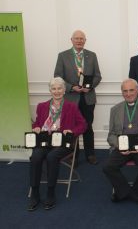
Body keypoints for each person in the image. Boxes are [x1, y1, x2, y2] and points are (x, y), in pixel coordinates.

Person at [27, 77, 87, 211]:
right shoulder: (41, 106)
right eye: (54, 88)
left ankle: (50, 192)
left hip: (62, 142)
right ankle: (35, 193)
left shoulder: (71, 106)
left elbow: (83, 124)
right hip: (44, 141)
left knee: (51, 157)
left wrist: (71, 131)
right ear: (50, 90)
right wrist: (36, 127)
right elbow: (37, 123)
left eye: (59, 88)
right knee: (36, 157)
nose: (57, 91)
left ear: (64, 90)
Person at [102, 79, 138, 206]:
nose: (128, 94)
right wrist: (119, 145)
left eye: (131, 90)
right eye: (125, 91)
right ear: (122, 93)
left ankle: (126, 193)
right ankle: (134, 195)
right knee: (107, 167)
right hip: (122, 147)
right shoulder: (115, 109)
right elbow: (111, 135)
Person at [54, 30, 102, 165]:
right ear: (71, 40)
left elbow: (98, 76)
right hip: (71, 98)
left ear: (85, 41)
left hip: (88, 98)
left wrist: (90, 86)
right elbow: (58, 76)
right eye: (77, 38)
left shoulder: (92, 56)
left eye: (82, 39)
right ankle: (72, 155)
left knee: (87, 126)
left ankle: (90, 154)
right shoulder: (63, 56)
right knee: (71, 128)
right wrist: (71, 87)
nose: (79, 41)